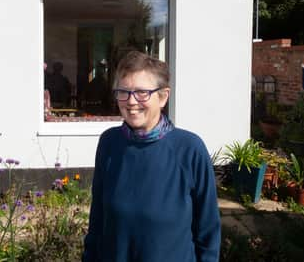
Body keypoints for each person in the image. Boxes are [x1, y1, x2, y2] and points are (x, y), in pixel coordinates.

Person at [83, 51, 220, 262]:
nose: (131, 101)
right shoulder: (110, 143)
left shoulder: (190, 149)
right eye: (123, 92)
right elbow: (98, 219)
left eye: (141, 93)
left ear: (163, 96)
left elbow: (208, 231)